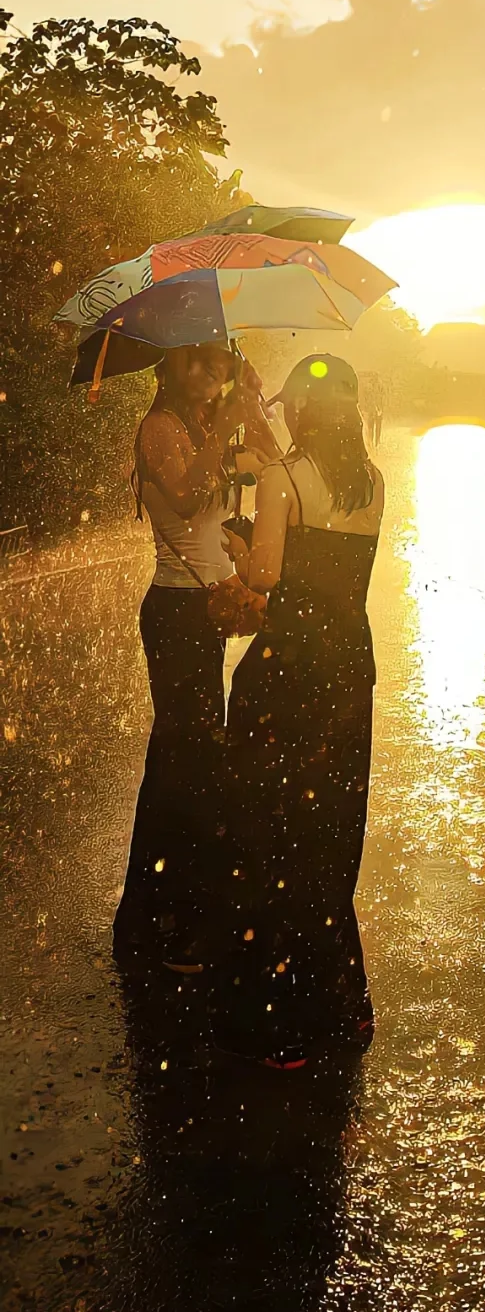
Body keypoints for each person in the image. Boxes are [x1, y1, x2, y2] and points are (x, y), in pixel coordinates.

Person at [211, 353, 384, 1068]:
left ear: (306, 411)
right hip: (348, 672)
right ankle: (341, 1005)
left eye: (290, 405)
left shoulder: (284, 481)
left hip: (287, 675)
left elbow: (266, 577)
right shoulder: (372, 481)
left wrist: (238, 539)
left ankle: (276, 1024)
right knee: (330, 837)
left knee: (268, 835)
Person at [113, 343, 265, 970]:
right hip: (175, 612)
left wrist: (252, 405)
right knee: (187, 759)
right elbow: (180, 497)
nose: (205, 375)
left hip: (204, 610)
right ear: (168, 370)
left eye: (216, 365)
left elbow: (270, 462)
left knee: (189, 756)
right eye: (192, 364)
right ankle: (165, 919)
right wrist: (225, 428)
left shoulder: (207, 426)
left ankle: (157, 911)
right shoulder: (159, 429)